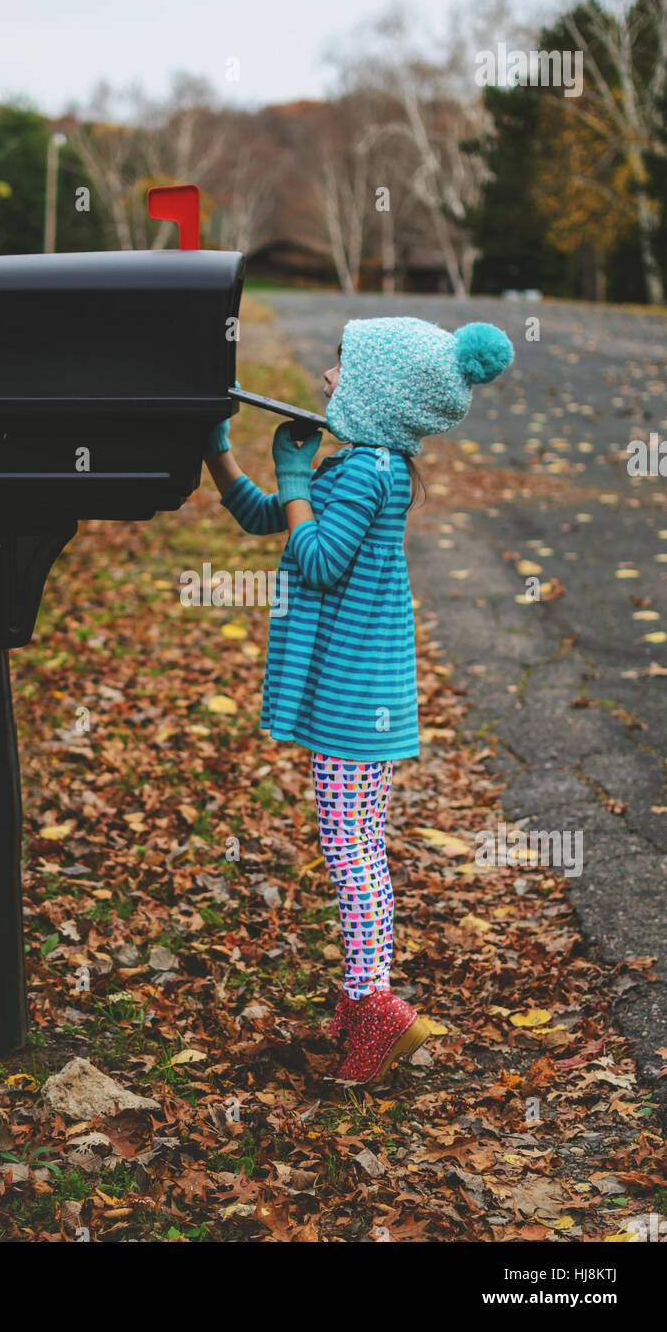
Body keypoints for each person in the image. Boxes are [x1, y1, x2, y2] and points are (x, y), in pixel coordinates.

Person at [203, 316, 514, 1084]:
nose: (327, 380)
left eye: (343, 369)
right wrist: (217, 448)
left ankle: (378, 1009)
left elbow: (317, 558)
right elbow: (260, 517)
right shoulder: (361, 468)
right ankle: (360, 998)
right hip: (352, 694)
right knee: (356, 849)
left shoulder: (372, 473)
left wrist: (298, 481)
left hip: (355, 701)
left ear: (379, 393)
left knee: (353, 856)